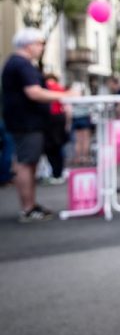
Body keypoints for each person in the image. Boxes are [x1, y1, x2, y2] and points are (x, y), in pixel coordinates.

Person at [1, 28, 75, 222]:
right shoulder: (22, 64)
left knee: (28, 162)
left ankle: (30, 205)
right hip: (27, 123)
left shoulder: (16, 63)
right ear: (28, 44)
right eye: (40, 43)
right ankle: (28, 208)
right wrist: (65, 95)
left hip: (25, 122)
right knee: (26, 163)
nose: (42, 47)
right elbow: (34, 92)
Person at [42, 73, 71, 184]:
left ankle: (56, 173)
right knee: (58, 147)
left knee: (50, 148)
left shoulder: (45, 87)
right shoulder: (59, 87)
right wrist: (67, 123)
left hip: (49, 119)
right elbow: (67, 107)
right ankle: (58, 172)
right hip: (59, 118)